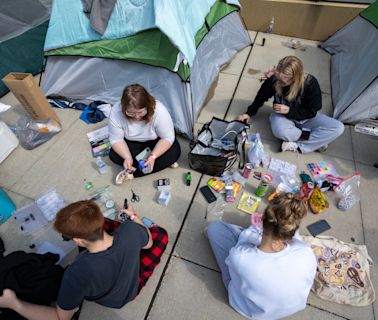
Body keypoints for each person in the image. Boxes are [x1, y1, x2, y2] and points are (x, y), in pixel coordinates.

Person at [0, 200, 168, 320]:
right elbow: (149, 244)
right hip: (131, 286)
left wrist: (14, 303)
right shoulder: (131, 230)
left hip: (112, 299)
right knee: (159, 234)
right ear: (102, 219)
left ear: (79, 241)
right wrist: (134, 218)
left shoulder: (77, 272)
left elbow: (60, 317)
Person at [207, 193, 317, 320]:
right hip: (289, 307)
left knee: (215, 228)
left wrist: (253, 231)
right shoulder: (306, 252)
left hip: (248, 309)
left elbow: (242, 244)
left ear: (263, 220)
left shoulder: (241, 257)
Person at [238, 56, 344, 153]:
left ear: (295, 79)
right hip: (282, 117)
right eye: (278, 79)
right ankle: (315, 141)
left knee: (338, 127)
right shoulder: (274, 79)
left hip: (306, 118)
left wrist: (289, 110)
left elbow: (312, 111)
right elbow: (261, 97)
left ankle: (298, 144)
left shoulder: (310, 83)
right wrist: (248, 113)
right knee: (280, 131)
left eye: (283, 82)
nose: (279, 83)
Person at [108, 84, 181, 183]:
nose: (137, 117)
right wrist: (127, 157)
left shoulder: (159, 111)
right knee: (114, 155)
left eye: (141, 112)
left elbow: (167, 138)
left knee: (174, 151)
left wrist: (153, 156)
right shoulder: (116, 112)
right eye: (131, 113)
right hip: (132, 143)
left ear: (147, 106)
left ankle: (133, 172)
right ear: (124, 108)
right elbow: (117, 139)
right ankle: (149, 166)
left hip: (155, 141)